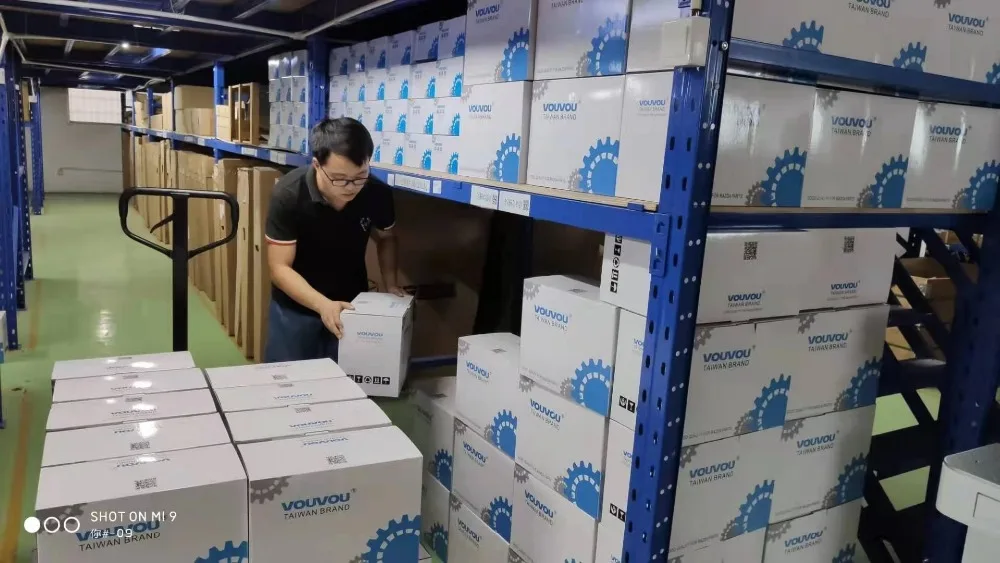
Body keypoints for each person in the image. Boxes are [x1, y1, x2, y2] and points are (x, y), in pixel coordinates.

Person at [263, 117, 404, 362]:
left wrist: (390, 284)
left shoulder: (377, 193)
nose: (351, 187)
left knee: (344, 379)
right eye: (339, 178)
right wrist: (322, 304)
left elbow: (387, 237)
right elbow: (279, 268)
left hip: (351, 305)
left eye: (360, 176)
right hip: (295, 308)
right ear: (317, 165)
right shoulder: (289, 194)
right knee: (290, 377)